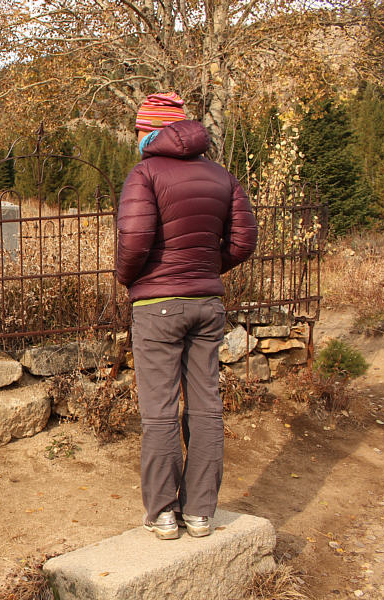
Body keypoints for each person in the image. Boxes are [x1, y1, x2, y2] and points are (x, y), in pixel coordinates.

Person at [117, 92, 258, 540]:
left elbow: (135, 240)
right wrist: (205, 268)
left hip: (157, 307)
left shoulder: (146, 173)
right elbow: (243, 241)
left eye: (139, 130)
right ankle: (199, 513)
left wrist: (128, 278)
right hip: (207, 304)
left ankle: (162, 513)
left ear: (149, 131)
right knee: (206, 407)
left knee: (159, 412)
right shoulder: (222, 175)